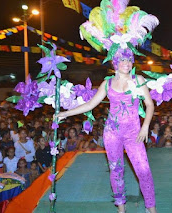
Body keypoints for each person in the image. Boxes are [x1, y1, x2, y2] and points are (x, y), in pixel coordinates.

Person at [56, 49, 157, 213]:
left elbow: (150, 105)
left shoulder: (138, 79)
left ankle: (151, 207)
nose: (127, 64)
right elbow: (90, 105)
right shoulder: (107, 84)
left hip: (134, 133)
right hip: (112, 132)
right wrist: (65, 113)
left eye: (129, 60)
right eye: (123, 60)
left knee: (144, 170)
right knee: (116, 169)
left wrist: (145, 126)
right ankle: (121, 208)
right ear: (115, 63)